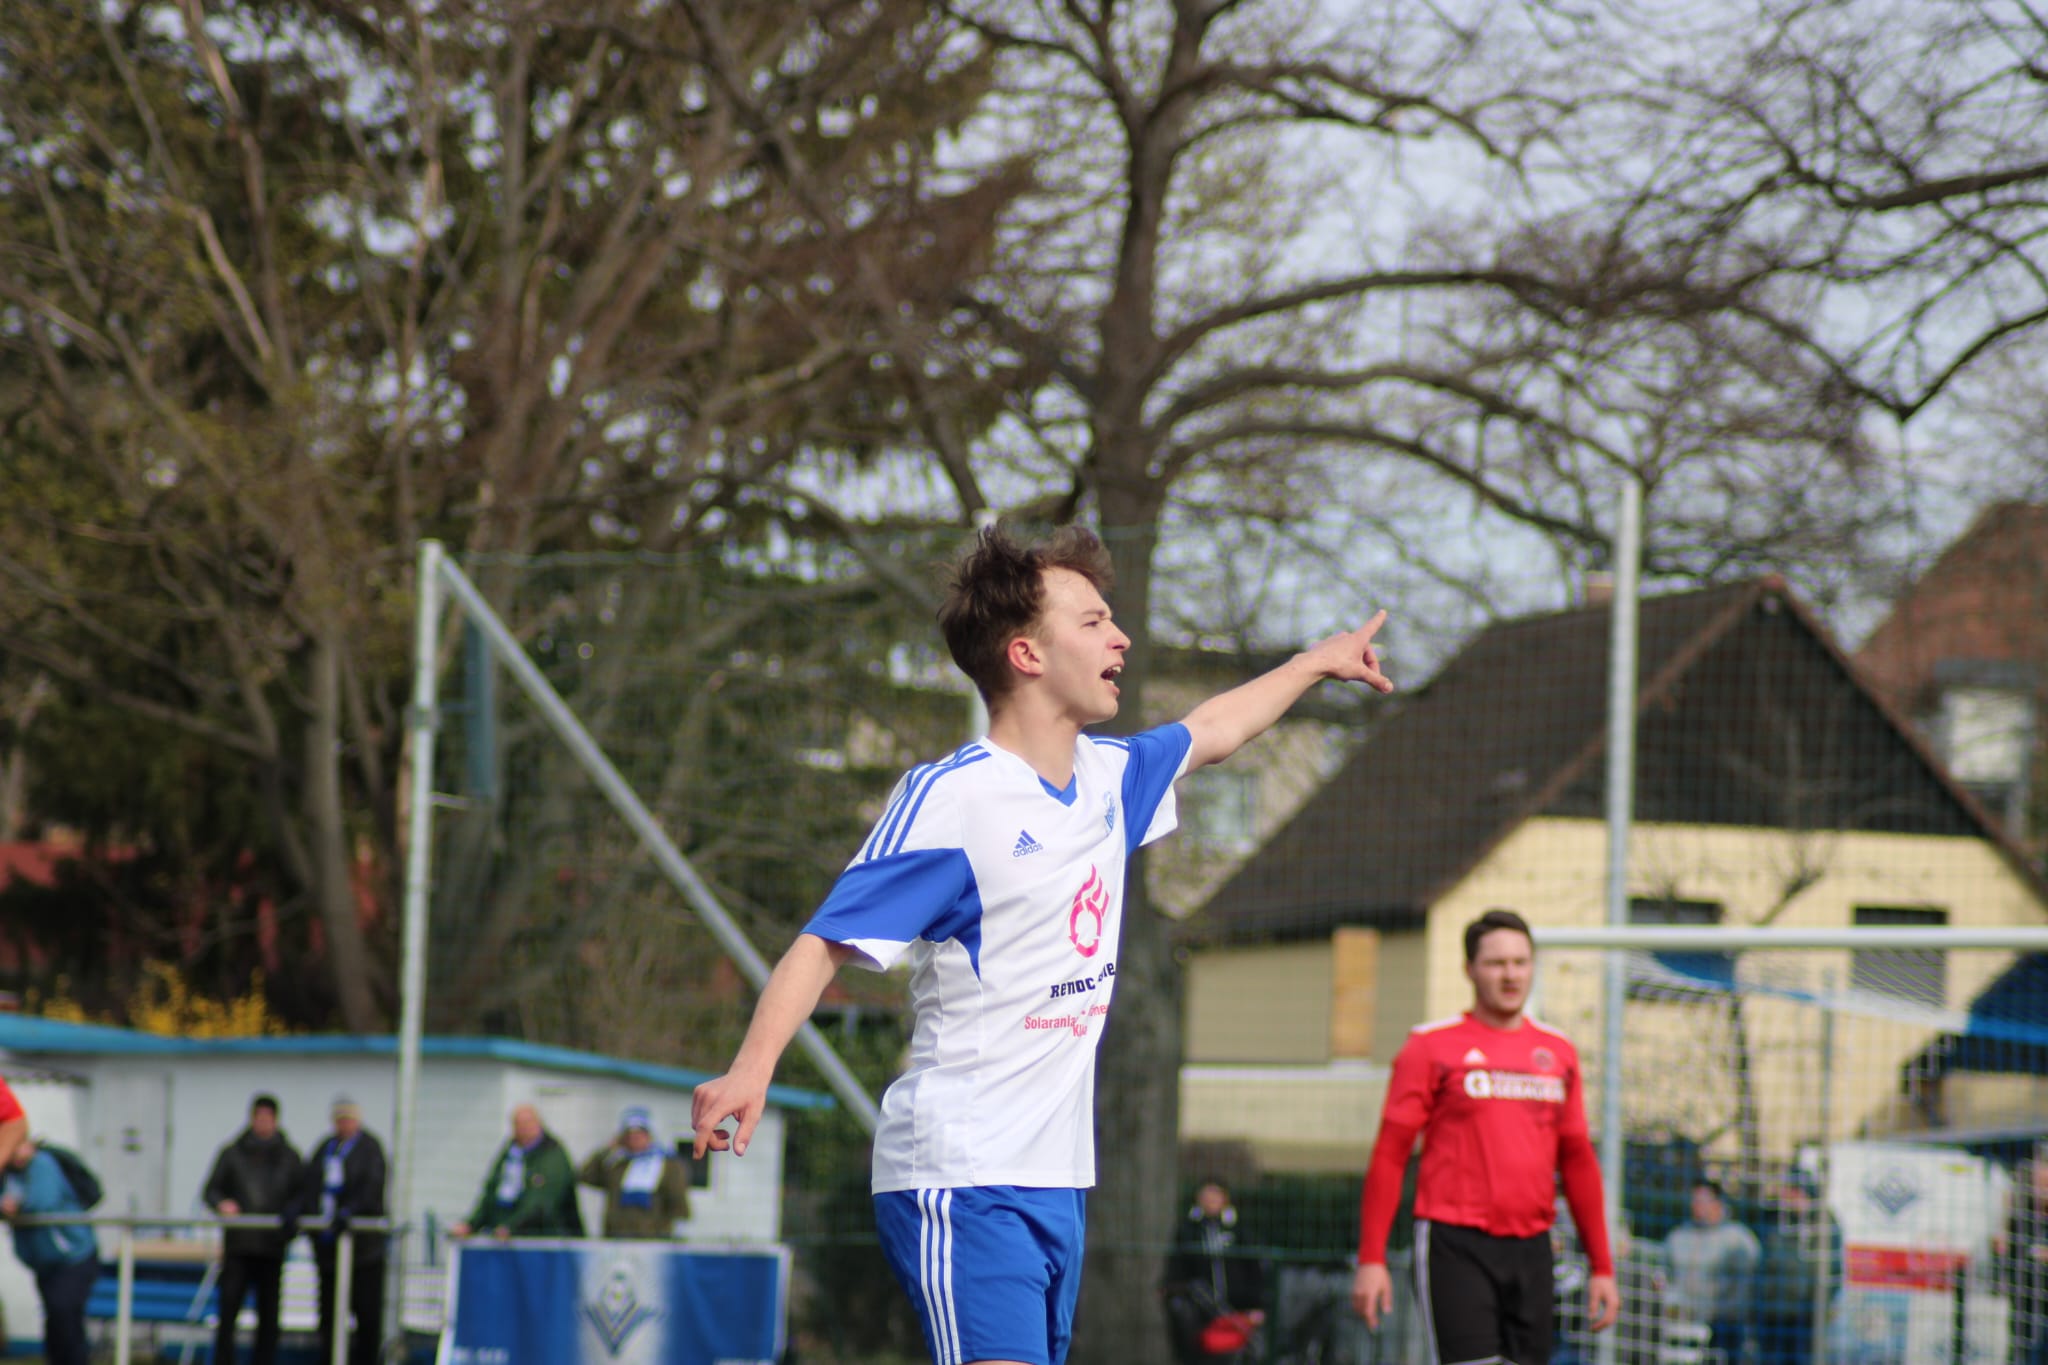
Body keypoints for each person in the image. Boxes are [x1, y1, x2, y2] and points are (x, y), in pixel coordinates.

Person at [690, 523, 1393, 1365]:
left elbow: (1213, 728)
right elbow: (824, 942)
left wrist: (1316, 662)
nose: (1120, 637)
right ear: (1025, 654)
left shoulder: (1108, 777)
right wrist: (752, 1067)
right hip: (962, 1173)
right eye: (1093, 621)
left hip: (1056, 1180)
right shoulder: (954, 798)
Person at [1351, 908, 1620, 1365]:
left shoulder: (1557, 1052)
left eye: (1520, 962)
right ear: (1469, 970)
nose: (1510, 975)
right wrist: (1371, 1258)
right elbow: (1391, 1154)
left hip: (1534, 1247)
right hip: (1455, 1243)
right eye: (1496, 963)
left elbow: (1577, 1160)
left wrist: (1602, 1266)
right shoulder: (1429, 1046)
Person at [204, 1093, 305, 1365]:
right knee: (228, 1312)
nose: (262, 1123)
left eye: (267, 1118)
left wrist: (291, 1215)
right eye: (258, 1117)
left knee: (269, 1316)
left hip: (272, 1247)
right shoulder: (232, 1153)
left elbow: (302, 1194)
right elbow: (211, 1190)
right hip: (238, 1246)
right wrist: (222, 1203)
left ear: (275, 1120)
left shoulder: (289, 1157)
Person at [296, 1095, 387, 1365]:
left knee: (367, 1317)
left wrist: (351, 1211)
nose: (344, 1124)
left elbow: (373, 1188)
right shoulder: (325, 1148)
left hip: (363, 1253)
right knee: (329, 1316)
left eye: (348, 1119)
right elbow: (310, 1185)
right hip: (329, 1252)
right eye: (339, 1119)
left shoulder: (370, 1149)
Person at [2, 1136, 98, 1365]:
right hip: (45, 1261)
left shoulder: (42, 1163)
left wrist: (15, 1205)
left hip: (73, 1257)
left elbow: (42, 1201)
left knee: (65, 1316)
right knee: (55, 1320)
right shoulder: (9, 1173)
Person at [1163, 1179, 1265, 1364]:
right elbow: (1177, 1266)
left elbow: (1253, 1267)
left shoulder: (1240, 1230)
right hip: (1201, 1310)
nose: (1211, 1200)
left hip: (1236, 1310)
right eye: (1206, 1195)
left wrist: (1256, 1305)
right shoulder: (1188, 1231)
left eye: (1215, 1195)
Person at [451, 1104, 584, 1240]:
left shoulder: (553, 1155)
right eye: (518, 1124)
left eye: (528, 1123)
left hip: (544, 1240)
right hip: (503, 1239)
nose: (523, 1128)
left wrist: (512, 1227)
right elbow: (491, 1193)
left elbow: (542, 1203)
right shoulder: (510, 1153)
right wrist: (471, 1224)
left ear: (539, 1124)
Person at [1664, 1178, 1761, 1363]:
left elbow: (1746, 1287)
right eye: (1694, 1200)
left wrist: (1722, 1312)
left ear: (1718, 1203)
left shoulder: (1739, 1240)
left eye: (1703, 1200)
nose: (1697, 1206)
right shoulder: (1678, 1237)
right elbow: (1665, 1276)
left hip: (1724, 1327)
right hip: (1684, 1325)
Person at [1754, 1169, 1842, 1365]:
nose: (1787, 1197)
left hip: (1806, 1315)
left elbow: (1832, 1270)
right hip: (1773, 1312)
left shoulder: (1823, 1223)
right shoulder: (1773, 1220)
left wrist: (1821, 1304)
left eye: (1793, 1192)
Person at [579, 1105, 690, 1240]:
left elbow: (678, 1204)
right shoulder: (617, 1164)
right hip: (616, 1238)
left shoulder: (667, 1165)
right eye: (629, 1135)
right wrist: (607, 1149)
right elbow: (585, 1175)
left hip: (653, 1240)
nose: (634, 1138)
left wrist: (673, 1235)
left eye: (640, 1134)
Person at [1994, 1157, 2048, 1365]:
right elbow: (2005, 1247)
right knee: (2021, 1343)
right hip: (2025, 1295)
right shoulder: (2022, 1216)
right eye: (2039, 1182)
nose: (2042, 1189)